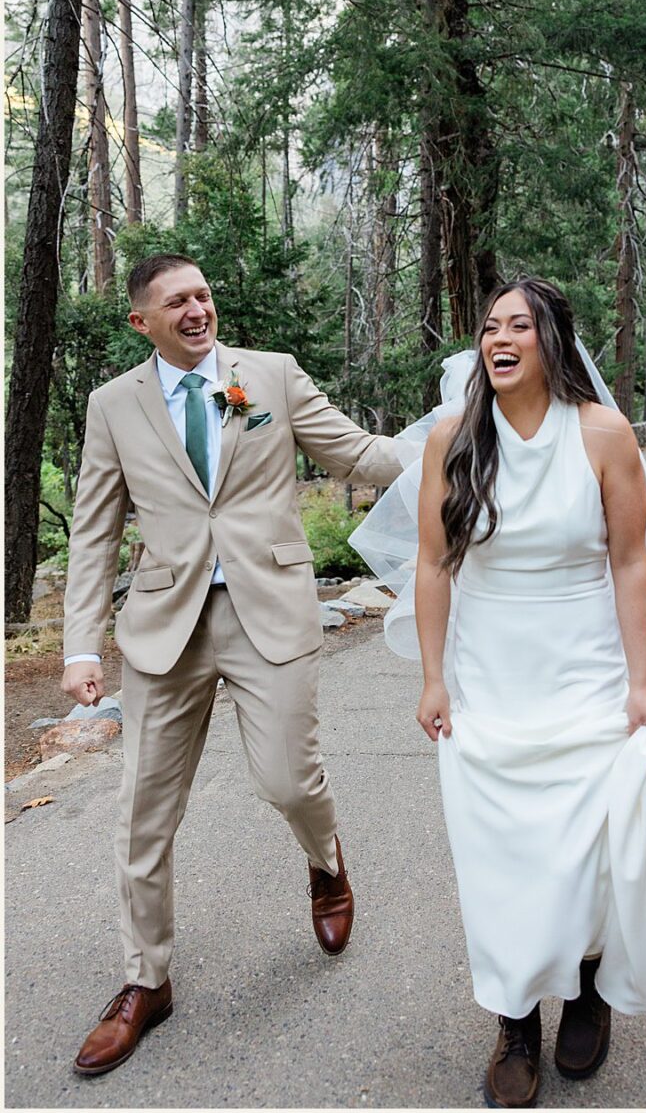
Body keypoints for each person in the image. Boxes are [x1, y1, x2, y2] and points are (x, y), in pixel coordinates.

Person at [383, 278, 646, 1108]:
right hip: (490, 676)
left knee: (587, 845)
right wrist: (433, 675)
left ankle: (584, 988)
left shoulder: (604, 434)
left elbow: (629, 562)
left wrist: (642, 686)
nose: (499, 338)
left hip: (585, 671)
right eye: (488, 328)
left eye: (519, 325)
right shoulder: (453, 438)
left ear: (554, 341)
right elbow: (434, 564)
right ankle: (514, 1022)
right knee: (499, 854)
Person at [59, 253, 403, 1076]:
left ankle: (326, 866)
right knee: (143, 809)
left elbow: (357, 456)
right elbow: (95, 528)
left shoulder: (270, 377)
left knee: (289, 779)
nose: (197, 310)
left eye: (204, 294)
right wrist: (80, 644)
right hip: (162, 627)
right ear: (141, 321)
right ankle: (147, 980)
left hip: (269, 612)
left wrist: (466, 441)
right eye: (176, 302)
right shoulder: (113, 405)